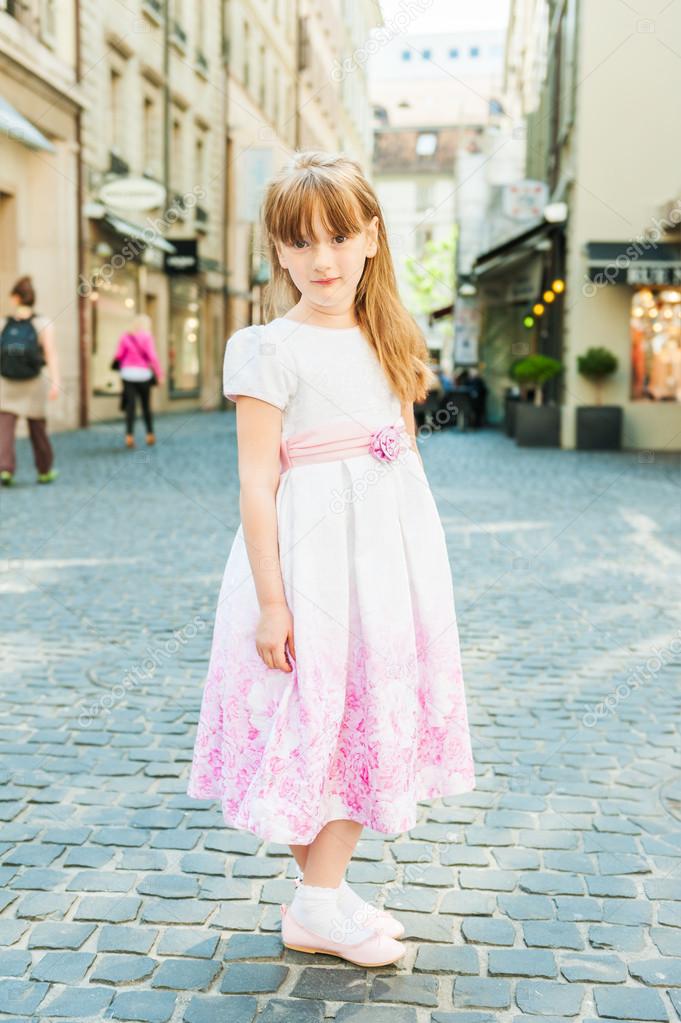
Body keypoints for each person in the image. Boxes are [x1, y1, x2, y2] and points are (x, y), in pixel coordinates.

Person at [186, 150, 476, 968]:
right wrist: (272, 600)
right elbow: (255, 479)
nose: (322, 259)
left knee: (365, 710)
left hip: (382, 564)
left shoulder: (387, 335)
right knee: (311, 713)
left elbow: (403, 460)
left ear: (372, 238)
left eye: (339, 237)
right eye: (300, 241)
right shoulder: (266, 347)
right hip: (307, 564)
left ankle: (323, 892)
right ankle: (317, 896)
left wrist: (417, 574)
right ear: (277, 251)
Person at [0, 275, 60, 486]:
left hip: (7, 383)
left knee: (4, 429)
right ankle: (44, 470)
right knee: (38, 428)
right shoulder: (42, 323)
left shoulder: (3, 323)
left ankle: (5, 469)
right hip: (34, 382)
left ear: (15, 298)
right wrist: (55, 381)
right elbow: (51, 354)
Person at [111, 314, 164, 448]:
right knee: (146, 405)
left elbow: (119, 355)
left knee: (130, 407)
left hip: (127, 375)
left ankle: (129, 436)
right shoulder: (147, 337)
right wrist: (159, 374)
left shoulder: (125, 336)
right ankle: (150, 434)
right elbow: (152, 357)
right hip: (143, 375)